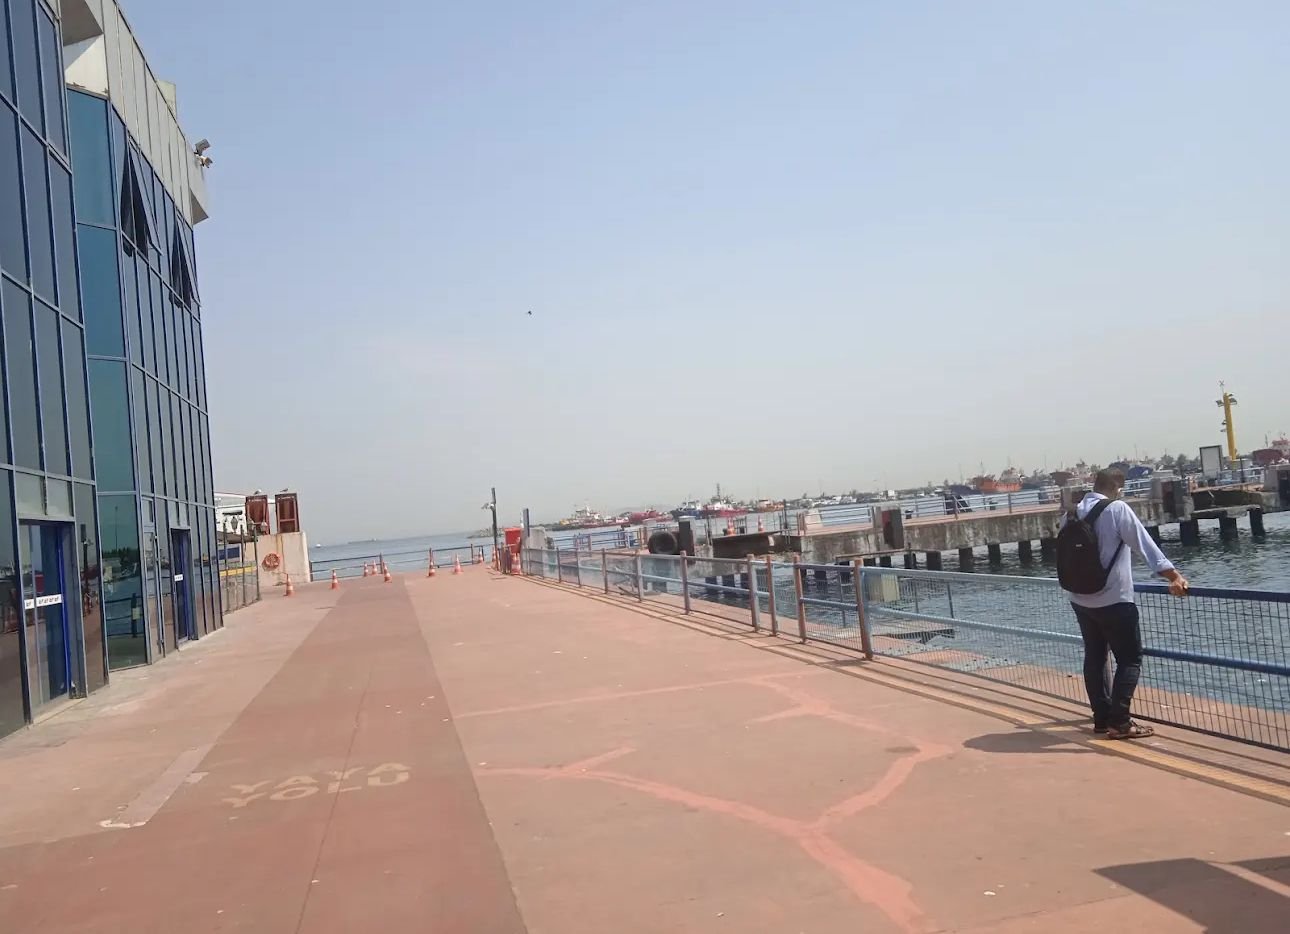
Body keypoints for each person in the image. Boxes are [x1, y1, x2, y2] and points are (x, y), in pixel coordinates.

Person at [1062, 469, 1189, 740]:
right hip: (1114, 600)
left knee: (1095, 657)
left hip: (1081, 600)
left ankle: (1101, 718)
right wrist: (1174, 577)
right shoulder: (1117, 509)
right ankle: (1119, 722)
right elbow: (1145, 546)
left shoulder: (1070, 514)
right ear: (1117, 488)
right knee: (1130, 659)